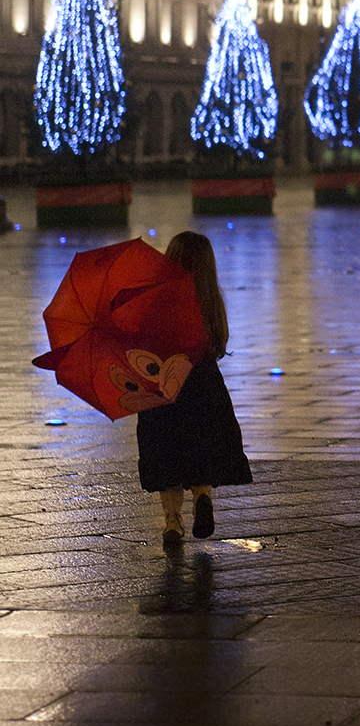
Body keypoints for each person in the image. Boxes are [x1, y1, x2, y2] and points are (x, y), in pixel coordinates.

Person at [136, 231, 252, 548]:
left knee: (167, 454)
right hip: (204, 382)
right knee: (201, 448)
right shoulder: (210, 298)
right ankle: (202, 496)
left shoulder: (157, 298)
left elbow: (143, 340)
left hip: (164, 386)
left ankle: (173, 522)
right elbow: (218, 341)